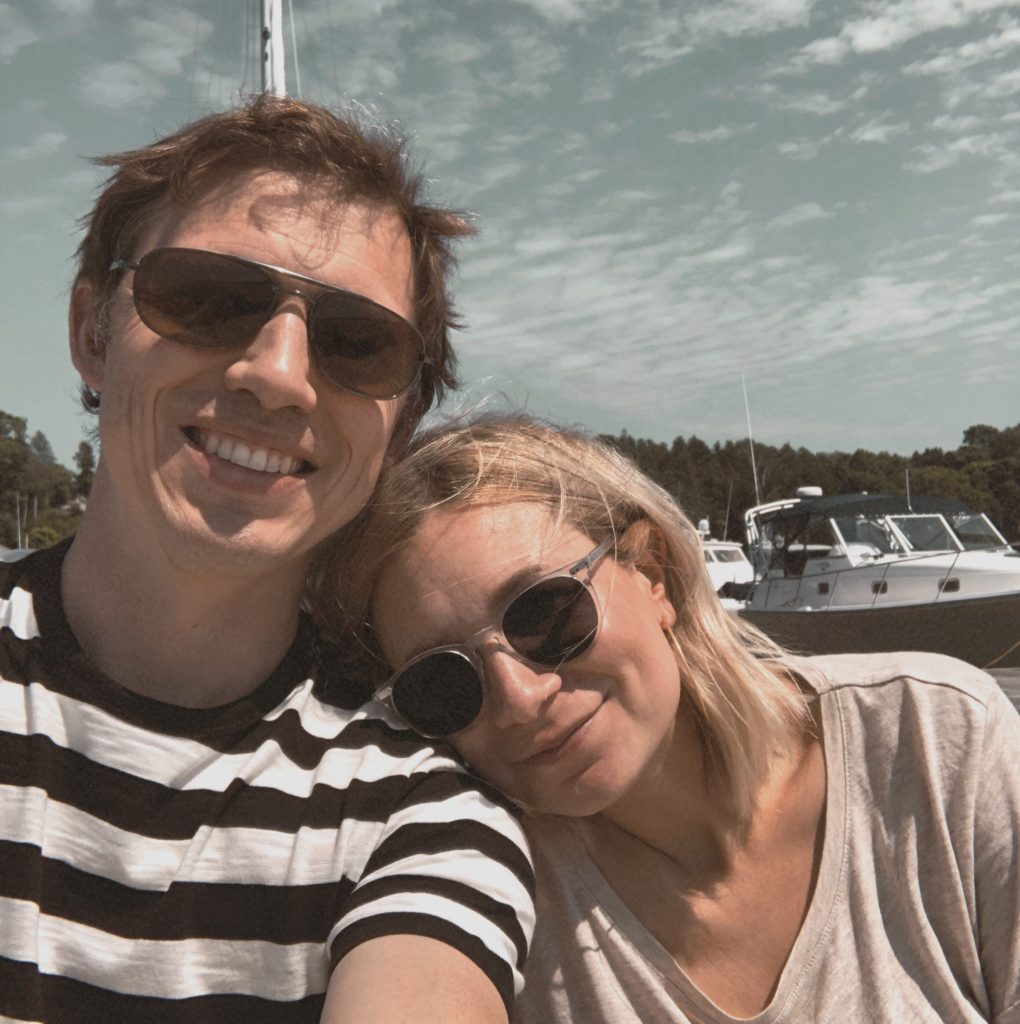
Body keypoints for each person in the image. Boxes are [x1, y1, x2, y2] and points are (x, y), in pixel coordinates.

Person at [0, 97, 534, 1024]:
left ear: (399, 425)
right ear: (94, 332)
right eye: (209, 297)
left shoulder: (416, 811)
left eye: (357, 344)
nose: (279, 373)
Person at [312, 412, 1020, 1024]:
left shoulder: (935, 740)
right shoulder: (492, 884)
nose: (520, 699)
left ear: (653, 574)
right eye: (443, 682)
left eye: (546, 614)